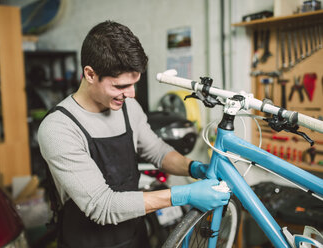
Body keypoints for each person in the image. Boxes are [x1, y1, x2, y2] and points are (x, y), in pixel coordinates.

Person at [38, 20, 230, 248]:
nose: (130, 94)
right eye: (120, 86)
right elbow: (102, 206)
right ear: (90, 74)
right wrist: (183, 194)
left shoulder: (129, 108)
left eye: (134, 84)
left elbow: (157, 151)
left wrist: (193, 168)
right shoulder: (59, 128)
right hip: (87, 241)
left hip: (135, 236)